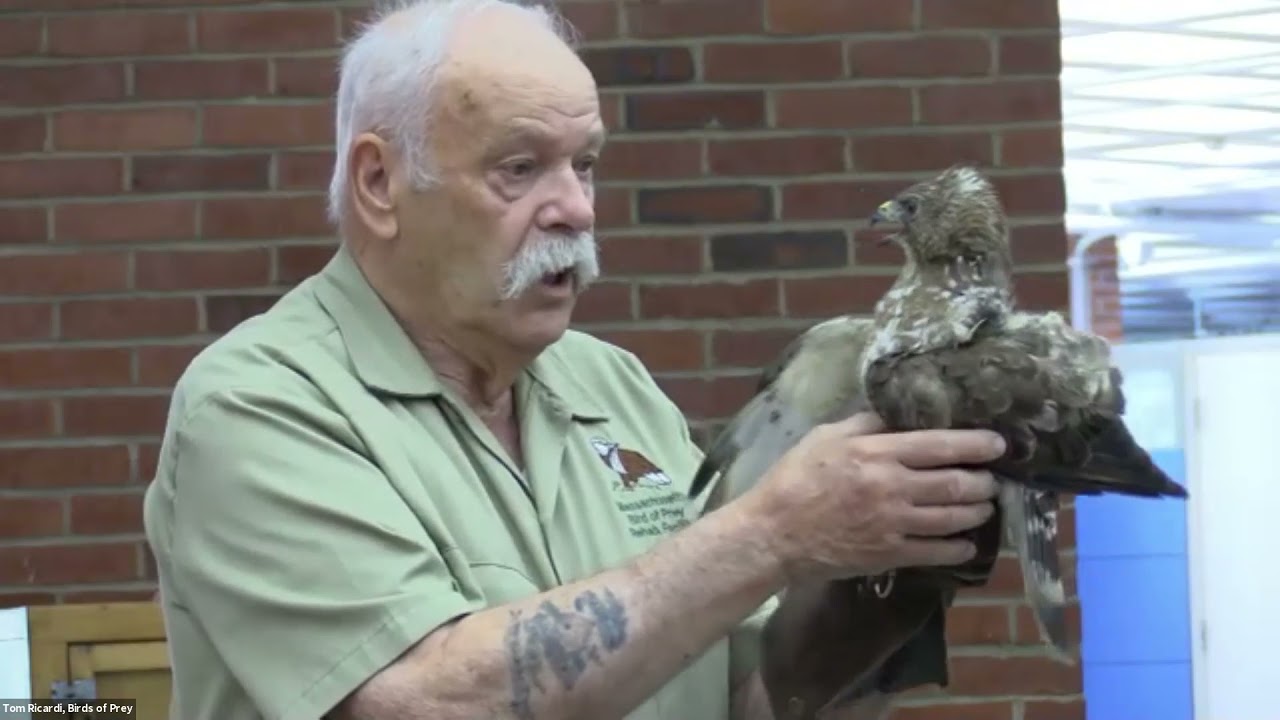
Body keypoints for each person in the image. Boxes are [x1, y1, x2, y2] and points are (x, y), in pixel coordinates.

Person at [140, 1, 1005, 719]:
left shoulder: (610, 385)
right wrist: (774, 533)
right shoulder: (260, 405)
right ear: (378, 184)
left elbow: (753, 694)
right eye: (521, 168)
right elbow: (427, 704)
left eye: (584, 165)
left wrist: (897, 563)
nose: (576, 210)